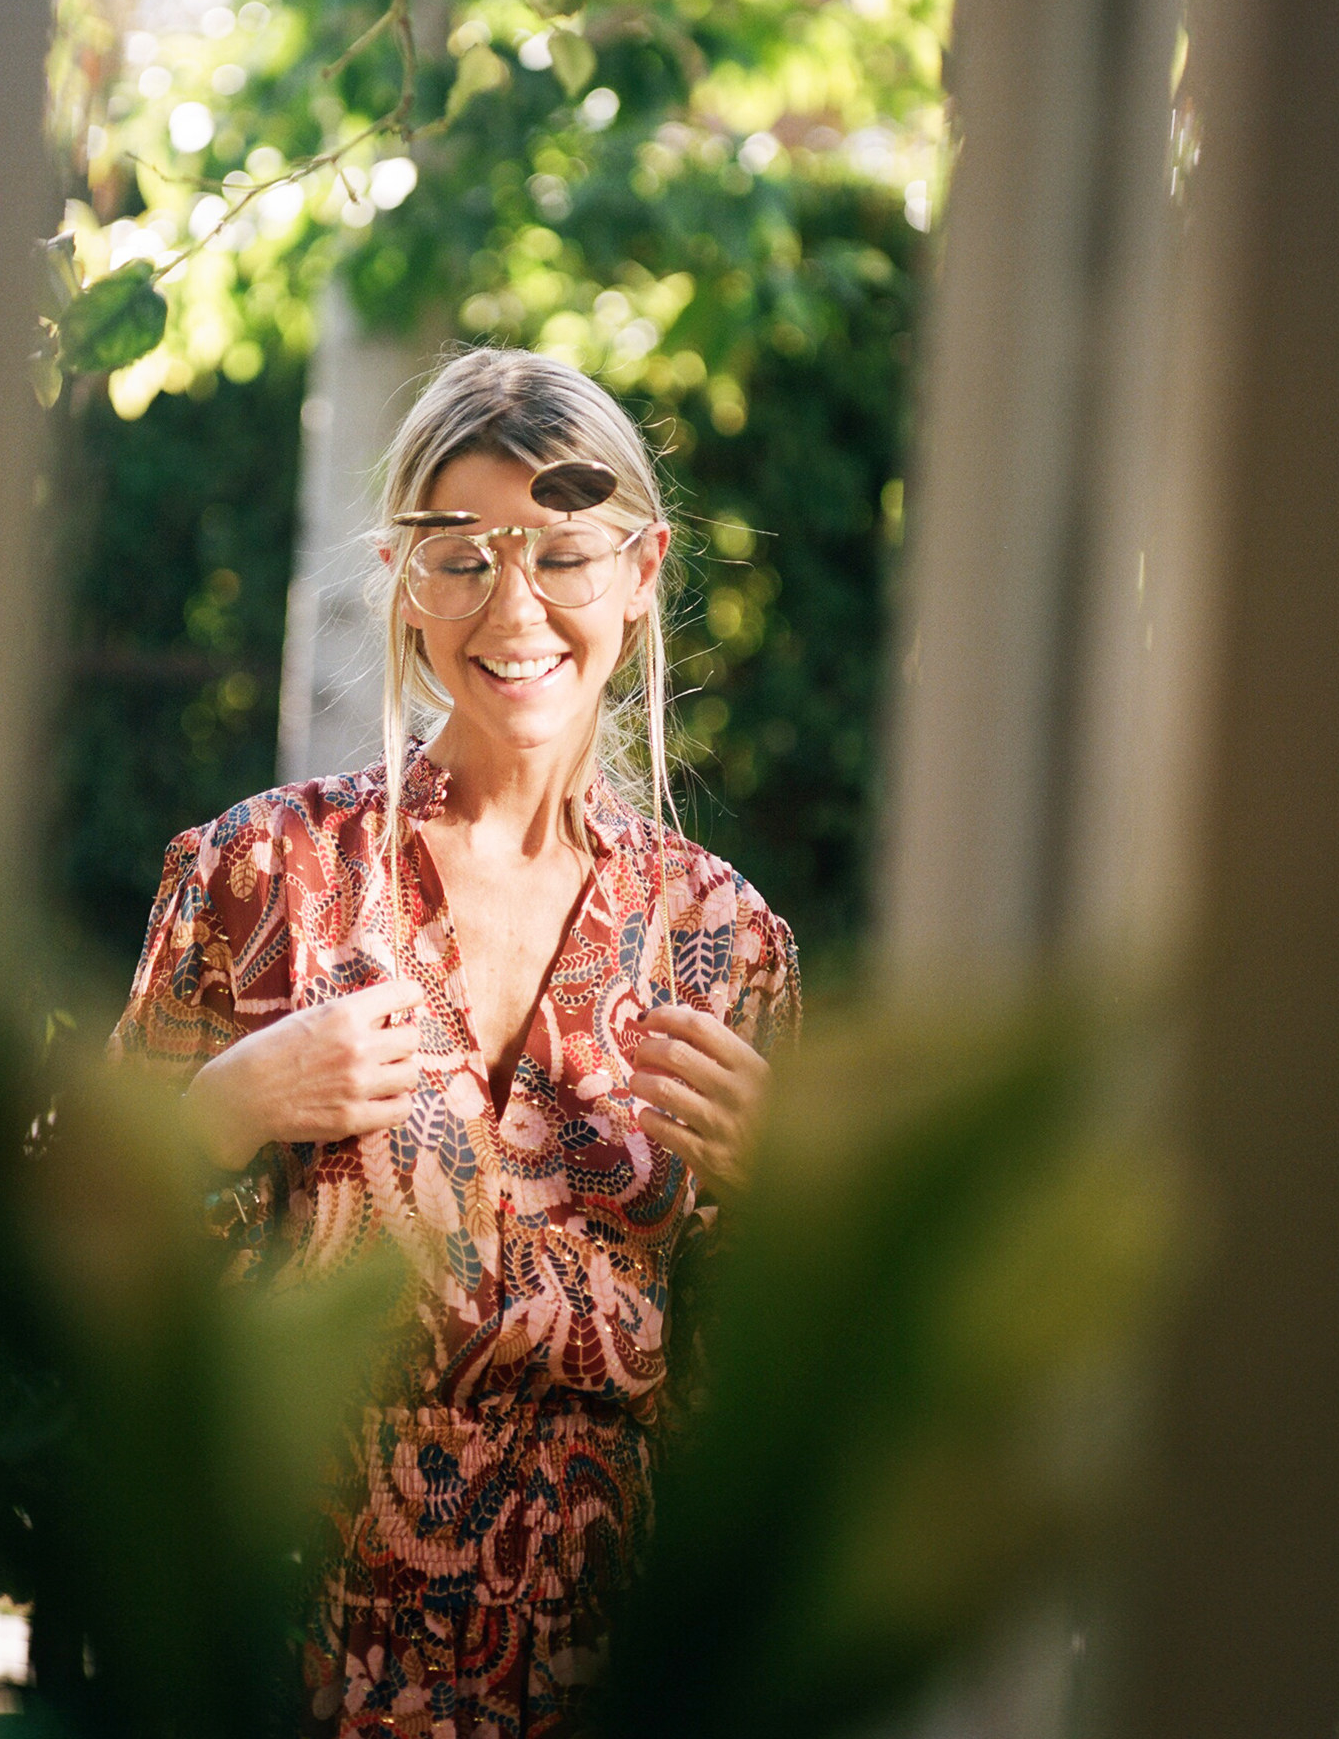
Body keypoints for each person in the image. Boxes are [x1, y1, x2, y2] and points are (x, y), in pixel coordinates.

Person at [108, 347, 800, 1738]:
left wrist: (790, 1183)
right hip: (292, 1658)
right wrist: (223, 1109)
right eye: (462, 557)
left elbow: (781, 1383)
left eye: (560, 553)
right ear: (401, 577)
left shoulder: (722, 942)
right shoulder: (261, 878)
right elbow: (67, 1250)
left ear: (643, 568)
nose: (514, 606)